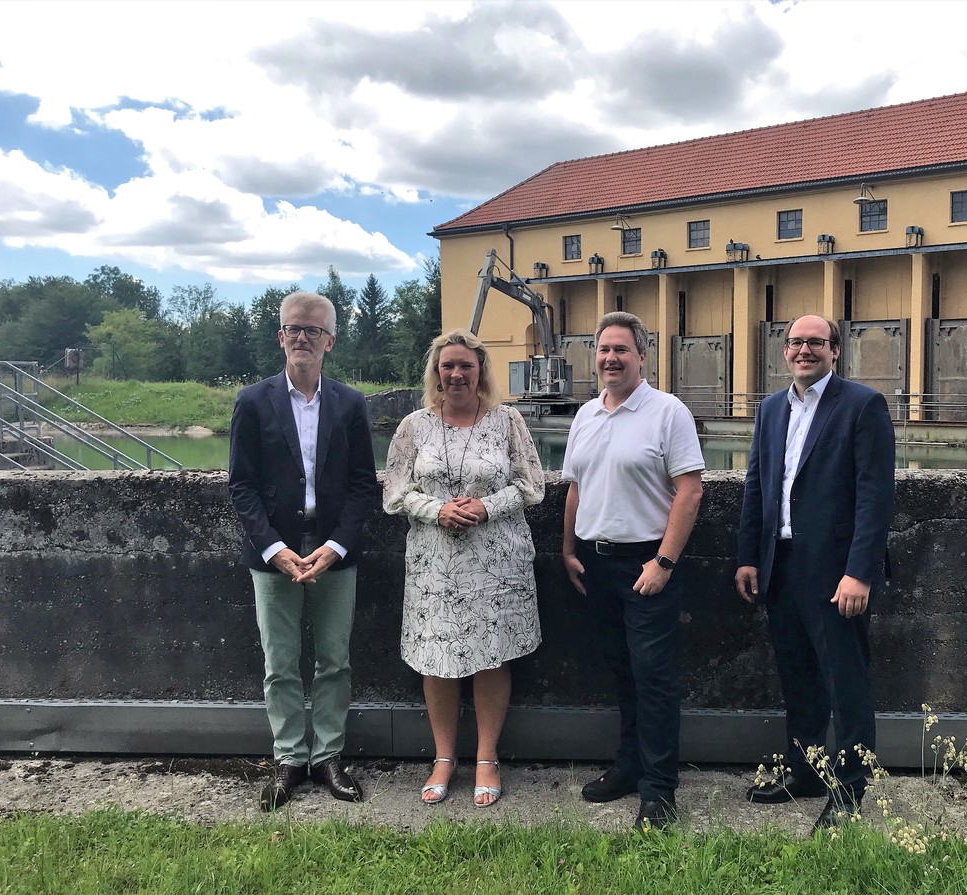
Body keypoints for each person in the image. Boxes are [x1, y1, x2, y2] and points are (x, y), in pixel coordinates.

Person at [735, 314, 895, 831]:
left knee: (845, 681)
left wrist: (860, 572)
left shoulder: (862, 404)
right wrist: (748, 556)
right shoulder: (770, 409)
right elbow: (757, 485)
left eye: (816, 343)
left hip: (834, 572)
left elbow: (876, 496)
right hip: (779, 565)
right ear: (784, 351)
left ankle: (850, 791)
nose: (805, 350)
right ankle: (803, 773)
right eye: (796, 342)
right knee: (798, 677)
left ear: (835, 351)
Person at [228, 291, 378, 811]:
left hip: (334, 548)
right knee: (280, 662)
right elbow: (241, 487)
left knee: (334, 659)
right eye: (294, 329)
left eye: (313, 331)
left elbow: (364, 486)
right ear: (281, 337)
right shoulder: (252, 401)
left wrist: (337, 546)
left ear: (330, 341)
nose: (303, 338)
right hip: (274, 551)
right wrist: (272, 548)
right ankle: (290, 757)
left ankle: (327, 756)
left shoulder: (352, 403)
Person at [383, 329, 544, 807]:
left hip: (496, 562)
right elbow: (394, 491)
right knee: (438, 660)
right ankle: (444, 757)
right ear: (436, 372)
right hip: (435, 566)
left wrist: (486, 506)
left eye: (465, 366)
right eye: (447, 365)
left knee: (492, 657)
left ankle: (488, 757)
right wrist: (437, 510)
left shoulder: (507, 421)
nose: (455, 374)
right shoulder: (414, 426)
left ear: (480, 372)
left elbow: (532, 484)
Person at [561, 311, 704, 831]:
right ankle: (629, 765)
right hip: (595, 564)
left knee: (654, 675)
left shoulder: (668, 412)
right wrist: (566, 549)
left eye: (622, 349)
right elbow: (575, 487)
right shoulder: (585, 415)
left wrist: (664, 562)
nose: (611, 358)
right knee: (621, 671)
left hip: (647, 561)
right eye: (603, 350)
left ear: (642, 356)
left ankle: (659, 788)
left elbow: (690, 490)